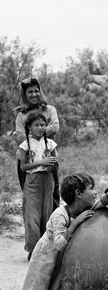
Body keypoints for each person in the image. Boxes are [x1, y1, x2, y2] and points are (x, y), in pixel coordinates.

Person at [10, 173, 97, 290]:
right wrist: (74, 224)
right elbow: (58, 243)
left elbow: (98, 204)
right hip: (44, 260)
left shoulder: (80, 209)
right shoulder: (60, 214)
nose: (95, 193)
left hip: (57, 263)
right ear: (79, 193)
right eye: (92, 189)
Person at [15, 77, 60, 211]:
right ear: (25, 94)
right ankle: (34, 228)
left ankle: (53, 226)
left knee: (53, 192)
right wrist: (42, 132)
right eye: (30, 92)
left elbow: (55, 127)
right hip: (28, 159)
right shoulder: (21, 115)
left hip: (48, 157)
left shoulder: (49, 109)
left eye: (36, 91)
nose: (34, 94)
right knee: (30, 195)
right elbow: (21, 137)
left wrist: (34, 133)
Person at [17, 112, 58, 260]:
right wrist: (41, 162)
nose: (40, 128)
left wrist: (51, 164)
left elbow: (55, 161)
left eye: (42, 125)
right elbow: (23, 167)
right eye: (36, 125)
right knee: (32, 217)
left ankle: (45, 249)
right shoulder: (25, 145)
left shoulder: (50, 143)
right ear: (29, 127)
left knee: (46, 215)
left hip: (47, 180)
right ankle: (33, 250)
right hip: (32, 181)